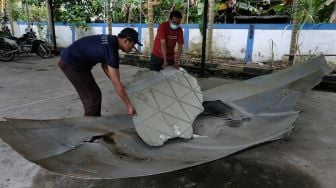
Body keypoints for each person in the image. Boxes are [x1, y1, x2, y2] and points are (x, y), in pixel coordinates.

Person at [58, 28, 142, 116]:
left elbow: (105, 66)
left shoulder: (111, 40)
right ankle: (91, 126)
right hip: (72, 64)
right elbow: (115, 83)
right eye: (133, 44)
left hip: (75, 60)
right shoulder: (111, 50)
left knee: (94, 95)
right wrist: (129, 105)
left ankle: (93, 122)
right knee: (93, 97)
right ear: (126, 41)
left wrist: (117, 82)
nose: (133, 48)